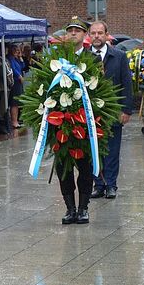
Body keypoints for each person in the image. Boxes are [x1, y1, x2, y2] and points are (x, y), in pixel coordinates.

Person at [89, 20, 134, 201]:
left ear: (107, 35)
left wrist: (127, 110)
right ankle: (98, 184)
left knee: (112, 149)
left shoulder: (119, 56)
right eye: (93, 33)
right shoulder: (84, 57)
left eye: (100, 33)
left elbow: (127, 84)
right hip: (91, 111)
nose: (97, 36)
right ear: (89, 36)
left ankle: (111, 184)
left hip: (113, 111)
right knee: (94, 149)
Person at [55, 19, 94, 223]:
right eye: (69, 30)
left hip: (85, 122)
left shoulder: (91, 59)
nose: (72, 34)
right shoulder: (56, 59)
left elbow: (99, 88)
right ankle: (70, 208)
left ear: (84, 35)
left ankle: (83, 207)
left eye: (77, 31)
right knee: (64, 167)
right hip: (60, 123)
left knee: (85, 167)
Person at [9, 44, 26, 129]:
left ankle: (17, 120)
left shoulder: (16, 59)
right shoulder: (10, 59)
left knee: (18, 102)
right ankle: (14, 121)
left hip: (19, 82)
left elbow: (23, 66)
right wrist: (19, 75)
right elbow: (13, 69)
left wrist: (20, 57)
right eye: (15, 50)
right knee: (14, 103)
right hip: (15, 81)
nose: (17, 51)